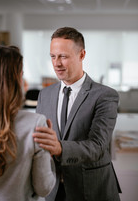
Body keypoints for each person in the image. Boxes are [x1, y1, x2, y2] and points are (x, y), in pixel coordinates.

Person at [33, 27, 121, 201]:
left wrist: (60, 148)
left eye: (63, 57)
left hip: (91, 190)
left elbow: (97, 146)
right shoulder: (45, 94)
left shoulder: (105, 95)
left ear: (82, 55)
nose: (56, 63)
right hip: (52, 190)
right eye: (53, 56)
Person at [0, 45, 55, 201]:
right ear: (16, 79)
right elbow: (44, 188)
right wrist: (50, 153)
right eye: (22, 75)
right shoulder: (36, 124)